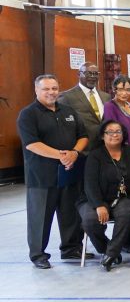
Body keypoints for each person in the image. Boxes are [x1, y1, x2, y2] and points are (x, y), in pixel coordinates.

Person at [18, 74, 90, 269]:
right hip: (42, 176)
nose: (51, 92)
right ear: (36, 90)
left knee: (71, 214)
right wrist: (61, 155)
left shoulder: (68, 111)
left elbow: (83, 136)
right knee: (40, 217)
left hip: (69, 173)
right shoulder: (28, 114)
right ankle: (38, 254)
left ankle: (71, 248)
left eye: (55, 88)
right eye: (46, 89)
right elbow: (32, 144)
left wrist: (74, 153)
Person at [79, 120, 130, 271]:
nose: (115, 135)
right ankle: (106, 248)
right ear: (102, 135)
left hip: (123, 197)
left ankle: (111, 254)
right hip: (94, 198)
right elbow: (90, 183)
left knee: (127, 213)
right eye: (110, 132)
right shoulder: (95, 155)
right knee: (89, 220)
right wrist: (99, 205)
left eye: (118, 131)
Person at [58, 62, 110, 152]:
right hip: (82, 150)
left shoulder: (106, 96)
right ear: (79, 74)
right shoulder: (67, 97)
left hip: (104, 148)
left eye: (95, 74)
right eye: (88, 73)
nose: (93, 76)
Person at [102, 75, 130, 154]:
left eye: (128, 90)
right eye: (120, 90)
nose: (124, 93)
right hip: (121, 152)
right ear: (114, 89)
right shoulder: (109, 106)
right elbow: (113, 133)